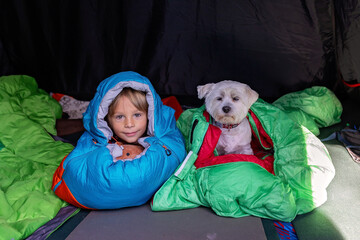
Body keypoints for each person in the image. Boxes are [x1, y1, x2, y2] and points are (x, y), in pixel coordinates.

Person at [106, 87, 148, 160]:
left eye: (137, 115)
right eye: (120, 117)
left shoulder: (159, 143)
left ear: (149, 116)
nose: (129, 124)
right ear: (109, 121)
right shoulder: (101, 145)